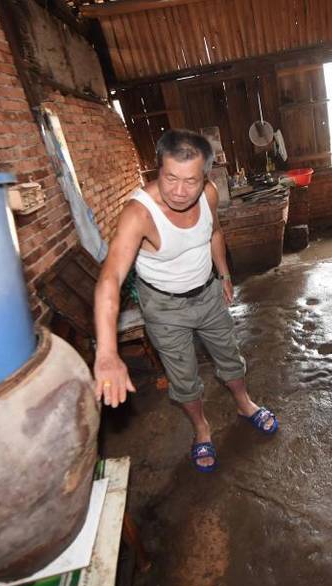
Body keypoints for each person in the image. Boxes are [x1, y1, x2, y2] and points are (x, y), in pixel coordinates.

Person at [93, 129, 278, 472]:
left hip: (207, 294)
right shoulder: (139, 213)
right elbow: (110, 278)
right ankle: (201, 428)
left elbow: (215, 233)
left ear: (205, 176)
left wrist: (223, 274)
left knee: (229, 356)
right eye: (170, 178)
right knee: (183, 377)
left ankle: (244, 403)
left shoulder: (208, 195)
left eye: (190, 181)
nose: (179, 191)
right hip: (164, 308)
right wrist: (106, 353)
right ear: (157, 171)